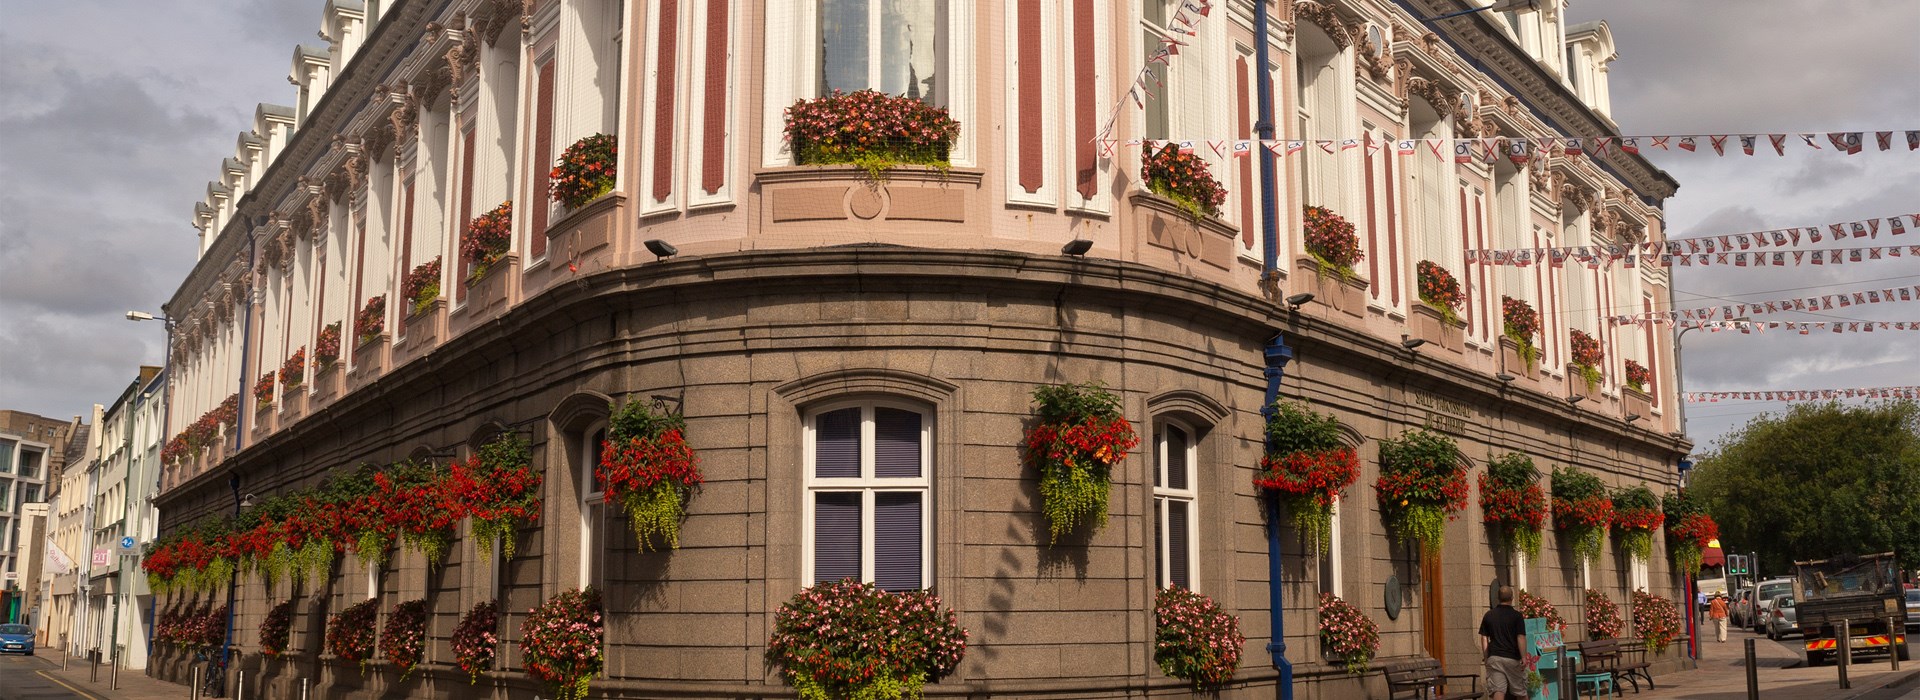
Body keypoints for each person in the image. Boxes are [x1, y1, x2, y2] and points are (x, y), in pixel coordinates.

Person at [1479, 586, 1533, 700]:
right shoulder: (1516, 616)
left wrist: (1486, 657)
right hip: (1512, 658)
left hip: (1495, 658)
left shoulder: (1489, 615)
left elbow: (1484, 638)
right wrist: (1524, 657)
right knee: (1520, 691)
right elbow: (1520, 637)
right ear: (1512, 598)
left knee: (1498, 690)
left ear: (1498, 598)